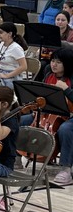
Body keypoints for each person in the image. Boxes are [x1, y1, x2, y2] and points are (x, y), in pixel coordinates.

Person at [44, 49, 73, 186]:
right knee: (23, 120)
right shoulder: (49, 74)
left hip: (71, 115)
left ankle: (65, 169)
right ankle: (18, 157)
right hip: (50, 113)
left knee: (65, 129)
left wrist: (66, 90)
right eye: (52, 61)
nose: (54, 64)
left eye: (58, 62)